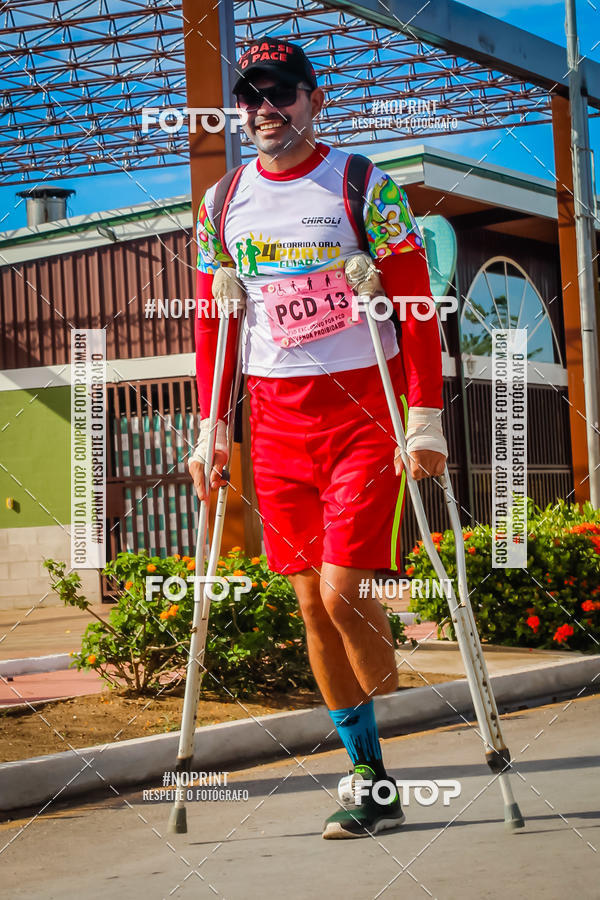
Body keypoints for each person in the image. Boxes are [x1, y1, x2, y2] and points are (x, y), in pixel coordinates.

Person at [189, 39, 448, 839]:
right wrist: (212, 427)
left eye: (279, 94)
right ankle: (370, 777)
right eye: (250, 97)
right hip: (275, 420)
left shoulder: (365, 186)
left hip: (363, 413)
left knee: (343, 594)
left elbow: (415, 310)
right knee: (311, 604)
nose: (263, 110)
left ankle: (384, 684)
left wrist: (426, 417)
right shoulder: (220, 204)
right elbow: (212, 325)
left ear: (313, 99)